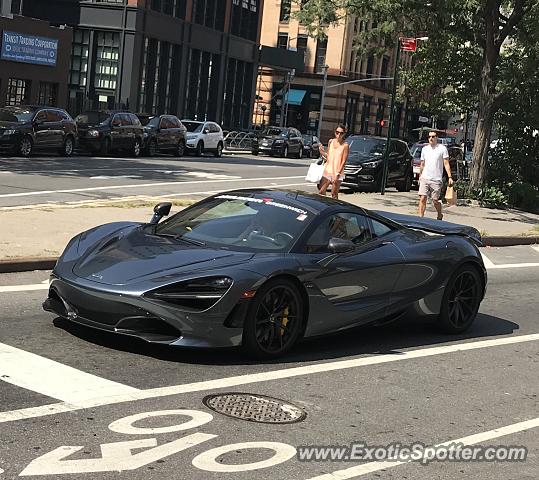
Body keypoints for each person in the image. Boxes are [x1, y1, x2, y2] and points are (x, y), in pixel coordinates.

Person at [418, 130, 454, 220]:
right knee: (423, 198)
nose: (431, 138)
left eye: (433, 136)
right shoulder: (425, 149)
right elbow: (422, 164)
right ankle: (420, 219)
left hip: (436, 179)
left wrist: (450, 177)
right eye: (429, 137)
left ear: (437, 138)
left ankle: (439, 214)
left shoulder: (442, 149)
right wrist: (420, 175)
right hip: (425, 177)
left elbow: (446, 163)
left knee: (435, 201)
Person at [318, 124, 350, 199]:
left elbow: (344, 161)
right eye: (337, 132)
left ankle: (335, 209)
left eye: (341, 133)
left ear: (344, 134)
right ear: (334, 132)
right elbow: (329, 156)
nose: (339, 134)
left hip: (337, 172)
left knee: (334, 194)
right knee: (321, 191)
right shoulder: (331, 141)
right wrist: (322, 152)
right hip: (328, 170)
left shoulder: (345, 145)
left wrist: (338, 173)